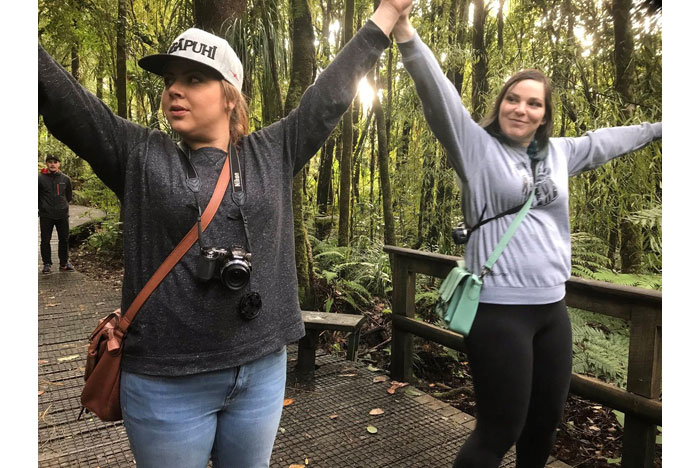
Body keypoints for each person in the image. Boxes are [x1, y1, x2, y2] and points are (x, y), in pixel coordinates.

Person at [38, 1, 411, 467]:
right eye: (171, 79)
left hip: (260, 372)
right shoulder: (138, 154)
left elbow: (331, 94)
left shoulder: (272, 151)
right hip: (166, 382)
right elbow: (64, 100)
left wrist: (387, 16)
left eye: (194, 79)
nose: (175, 89)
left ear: (230, 95)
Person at [391, 5, 661, 468]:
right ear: (500, 104)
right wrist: (405, 33)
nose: (521, 108)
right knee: (498, 431)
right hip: (498, 312)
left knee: (543, 427)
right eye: (513, 98)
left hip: (552, 310)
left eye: (534, 103)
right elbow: (439, 96)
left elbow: (609, 140)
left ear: (544, 114)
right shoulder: (476, 147)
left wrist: (664, 128)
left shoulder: (558, 153)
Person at [38, 154, 74, 273]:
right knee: (45, 240)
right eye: (50, 162)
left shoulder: (65, 179)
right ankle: (47, 263)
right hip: (46, 215)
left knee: (64, 239)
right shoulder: (40, 178)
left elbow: (68, 196)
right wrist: (41, 208)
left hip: (62, 214)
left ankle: (64, 263)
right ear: (47, 164)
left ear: (59, 164)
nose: (52, 164)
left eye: (55, 162)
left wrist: (63, 206)